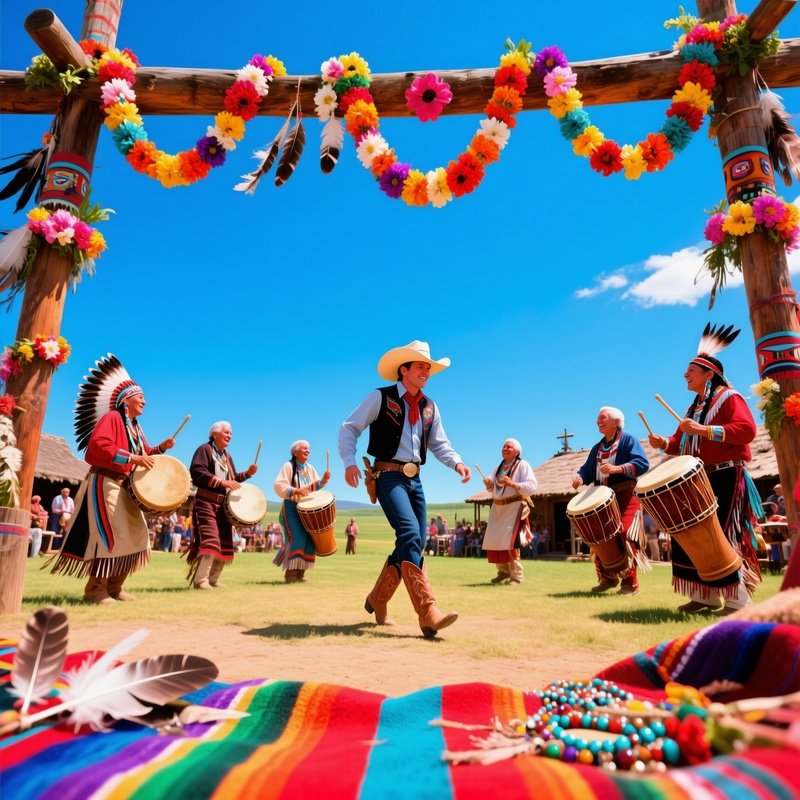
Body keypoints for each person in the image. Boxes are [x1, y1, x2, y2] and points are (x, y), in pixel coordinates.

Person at [338, 340, 471, 638]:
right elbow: (349, 428)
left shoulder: (430, 407)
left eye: (428, 367)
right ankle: (427, 612)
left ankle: (378, 599)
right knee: (410, 534)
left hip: (415, 479)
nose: (426, 371)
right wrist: (349, 461)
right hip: (387, 475)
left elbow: (440, 444)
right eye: (421, 366)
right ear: (404, 370)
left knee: (414, 542)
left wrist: (457, 464)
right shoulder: (379, 397)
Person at [647, 323, 761, 616]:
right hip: (699, 478)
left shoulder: (729, 398)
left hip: (726, 473)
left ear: (710, 374)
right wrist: (664, 442)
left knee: (720, 536)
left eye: (691, 371)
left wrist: (705, 430)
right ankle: (705, 596)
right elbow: (679, 442)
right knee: (691, 536)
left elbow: (746, 430)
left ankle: (738, 600)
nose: (685, 375)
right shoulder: (693, 408)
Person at [50, 354, 175, 604]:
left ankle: (116, 586)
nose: (145, 401)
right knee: (111, 535)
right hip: (105, 481)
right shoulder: (112, 419)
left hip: (126, 487)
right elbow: (97, 447)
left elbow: (143, 454)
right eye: (140, 397)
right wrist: (132, 457)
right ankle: (95, 590)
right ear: (126, 400)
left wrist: (160, 448)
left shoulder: (135, 427)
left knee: (138, 534)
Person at [572, 406, 650, 596]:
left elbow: (642, 463)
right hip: (603, 499)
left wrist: (618, 469)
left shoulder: (628, 440)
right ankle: (607, 579)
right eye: (597, 418)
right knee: (599, 537)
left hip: (626, 496)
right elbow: (587, 470)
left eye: (603, 418)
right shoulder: (597, 448)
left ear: (616, 422)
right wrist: (580, 478)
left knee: (625, 534)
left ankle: (630, 583)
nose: (598, 421)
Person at [187, 421, 258, 589]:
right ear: (214, 434)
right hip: (206, 502)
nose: (230, 435)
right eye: (226, 432)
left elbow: (231, 481)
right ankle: (201, 580)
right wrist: (221, 482)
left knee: (225, 542)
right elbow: (197, 471)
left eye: (231, 433)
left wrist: (247, 474)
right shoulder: (204, 450)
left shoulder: (226, 456)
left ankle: (213, 579)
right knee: (210, 540)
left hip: (223, 507)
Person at [273, 440, 330, 583]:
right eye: (304, 448)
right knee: (297, 538)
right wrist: (295, 490)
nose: (308, 451)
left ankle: (301, 574)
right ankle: (290, 574)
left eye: (309, 449)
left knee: (309, 540)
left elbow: (313, 487)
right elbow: (279, 485)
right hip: (291, 507)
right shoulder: (288, 466)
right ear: (295, 452)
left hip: (307, 510)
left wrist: (323, 480)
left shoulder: (310, 468)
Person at [481, 438, 538, 584]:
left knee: (510, 542)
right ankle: (503, 571)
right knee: (494, 541)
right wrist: (489, 484)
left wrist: (513, 483)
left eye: (509, 447)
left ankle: (517, 576)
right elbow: (493, 488)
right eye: (504, 446)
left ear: (517, 451)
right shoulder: (498, 468)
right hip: (498, 509)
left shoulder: (523, 465)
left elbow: (532, 486)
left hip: (514, 507)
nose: (505, 449)